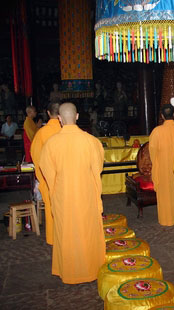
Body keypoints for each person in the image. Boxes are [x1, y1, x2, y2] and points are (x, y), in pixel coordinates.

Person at [39, 103, 105, 284]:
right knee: (88, 232)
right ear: (77, 117)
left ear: (59, 119)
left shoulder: (51, 144)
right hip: (87, 195)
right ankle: (91, 270)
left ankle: (69, 272)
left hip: (63, 197)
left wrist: (56, 192)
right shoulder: (91, 141)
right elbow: (97, 169)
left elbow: (47, 173)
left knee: (67, 234)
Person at [30, 102, 61, 246]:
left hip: (49, 178)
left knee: (51, 209)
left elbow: (35, 155)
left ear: (48, 113)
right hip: (66, 178)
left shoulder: (42, 133)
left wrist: (41, 177)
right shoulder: (65, 131)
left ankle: (53, 238)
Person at [149, 104, 174, 226]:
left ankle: (166, 220)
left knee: (165, 194)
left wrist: (157, 164)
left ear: (162, 116)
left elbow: (152, 153)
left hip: (163, 169)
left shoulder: (156, 132)